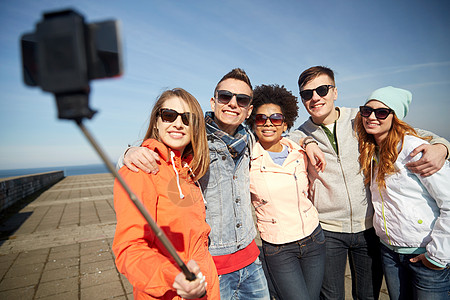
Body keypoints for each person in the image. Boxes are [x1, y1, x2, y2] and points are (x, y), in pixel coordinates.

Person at [288, 66, 450, 300]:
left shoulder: (362, 117)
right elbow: (286, 138)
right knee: (331, 296)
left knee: (368, 295)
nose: (315, 97)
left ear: (335, 92)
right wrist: (307, 140)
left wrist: (443, 147)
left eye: (322, 90)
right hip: (329, 228)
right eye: (307, 93)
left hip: (369, 228)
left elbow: (411, 132)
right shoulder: (302, 133)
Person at [118, 69, 271, 299]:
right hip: (213, 267)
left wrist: (306, 140)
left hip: (250, 259)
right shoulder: (198, 145)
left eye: (242, 99)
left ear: (249, 109)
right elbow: (130, 246)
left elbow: (281, 137)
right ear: (213, 101)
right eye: (225, 96)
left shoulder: (248, 139)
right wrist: (128, 153)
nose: (232, 103)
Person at [112, 88, 220, 300]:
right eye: (169, 115)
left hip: (206, 289)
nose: (178, 124)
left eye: (187, 118)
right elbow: (130, 249)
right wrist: (175, 276)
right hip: (171, 293)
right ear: (156, 122)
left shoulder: (188, 172)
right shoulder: (140, 171)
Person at [355, 86, 450, 300]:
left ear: (394, 117)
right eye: (366, 110)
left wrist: (437, 256)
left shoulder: (415, 150)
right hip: (389, 252)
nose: (371, 117)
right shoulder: (371, 150)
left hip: (425, 253)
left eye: (381, 112)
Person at [246, 84, 326, 300]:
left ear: (286, 123)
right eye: (261, 118)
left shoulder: (300, 152)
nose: (268, 123)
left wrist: (307, 141)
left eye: (276, 118)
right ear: (253, 124)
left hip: (314, 239)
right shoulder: (246, 159)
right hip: (279, 249)